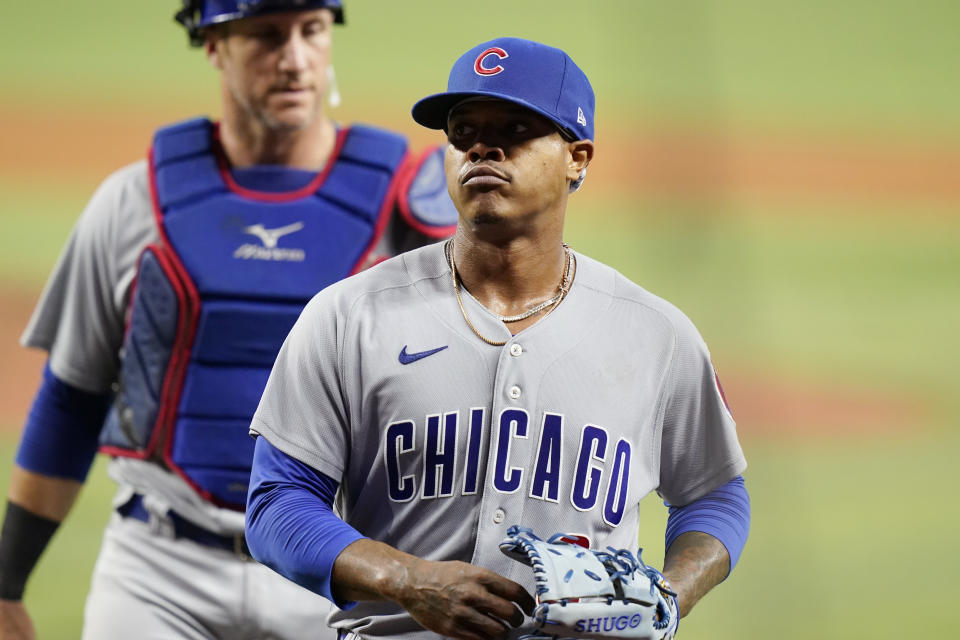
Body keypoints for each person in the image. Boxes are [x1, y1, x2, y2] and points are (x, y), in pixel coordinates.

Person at [245, 37, 751, 639]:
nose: (483, 148)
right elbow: (277, 504)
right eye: (463, 132)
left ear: (578, 158)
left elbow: (715, 495)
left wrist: (670, 595)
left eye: (514, 129)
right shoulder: (348, 316)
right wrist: (407, 580)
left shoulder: (655, 335)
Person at [0, 2, 457, 638]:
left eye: (312, 31)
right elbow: (72, 399)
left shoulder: (411, 212)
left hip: (335, 566)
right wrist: (7, 583)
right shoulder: (134, 203)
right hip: (158, 572)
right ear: (214, 43)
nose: (295, 58)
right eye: (267, 35)